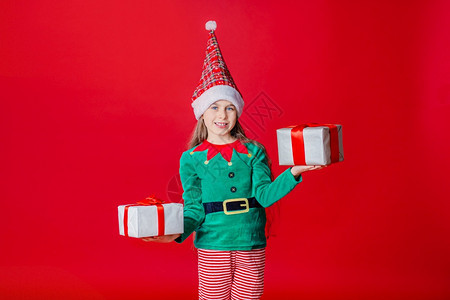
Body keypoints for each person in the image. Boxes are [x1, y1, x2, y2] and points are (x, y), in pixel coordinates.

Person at [143, 20, 324, 300]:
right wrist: (175, 234)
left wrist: (294, 171)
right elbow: (193, 209)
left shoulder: (254, 151)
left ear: (237, 112)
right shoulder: (191, 159)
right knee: (213, 297)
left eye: (229, 108)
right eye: (214, 107)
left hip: (250, 240)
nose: (222, 115)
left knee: (248, 297)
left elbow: (264, 196)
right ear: (202, 113)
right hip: (212, 243)